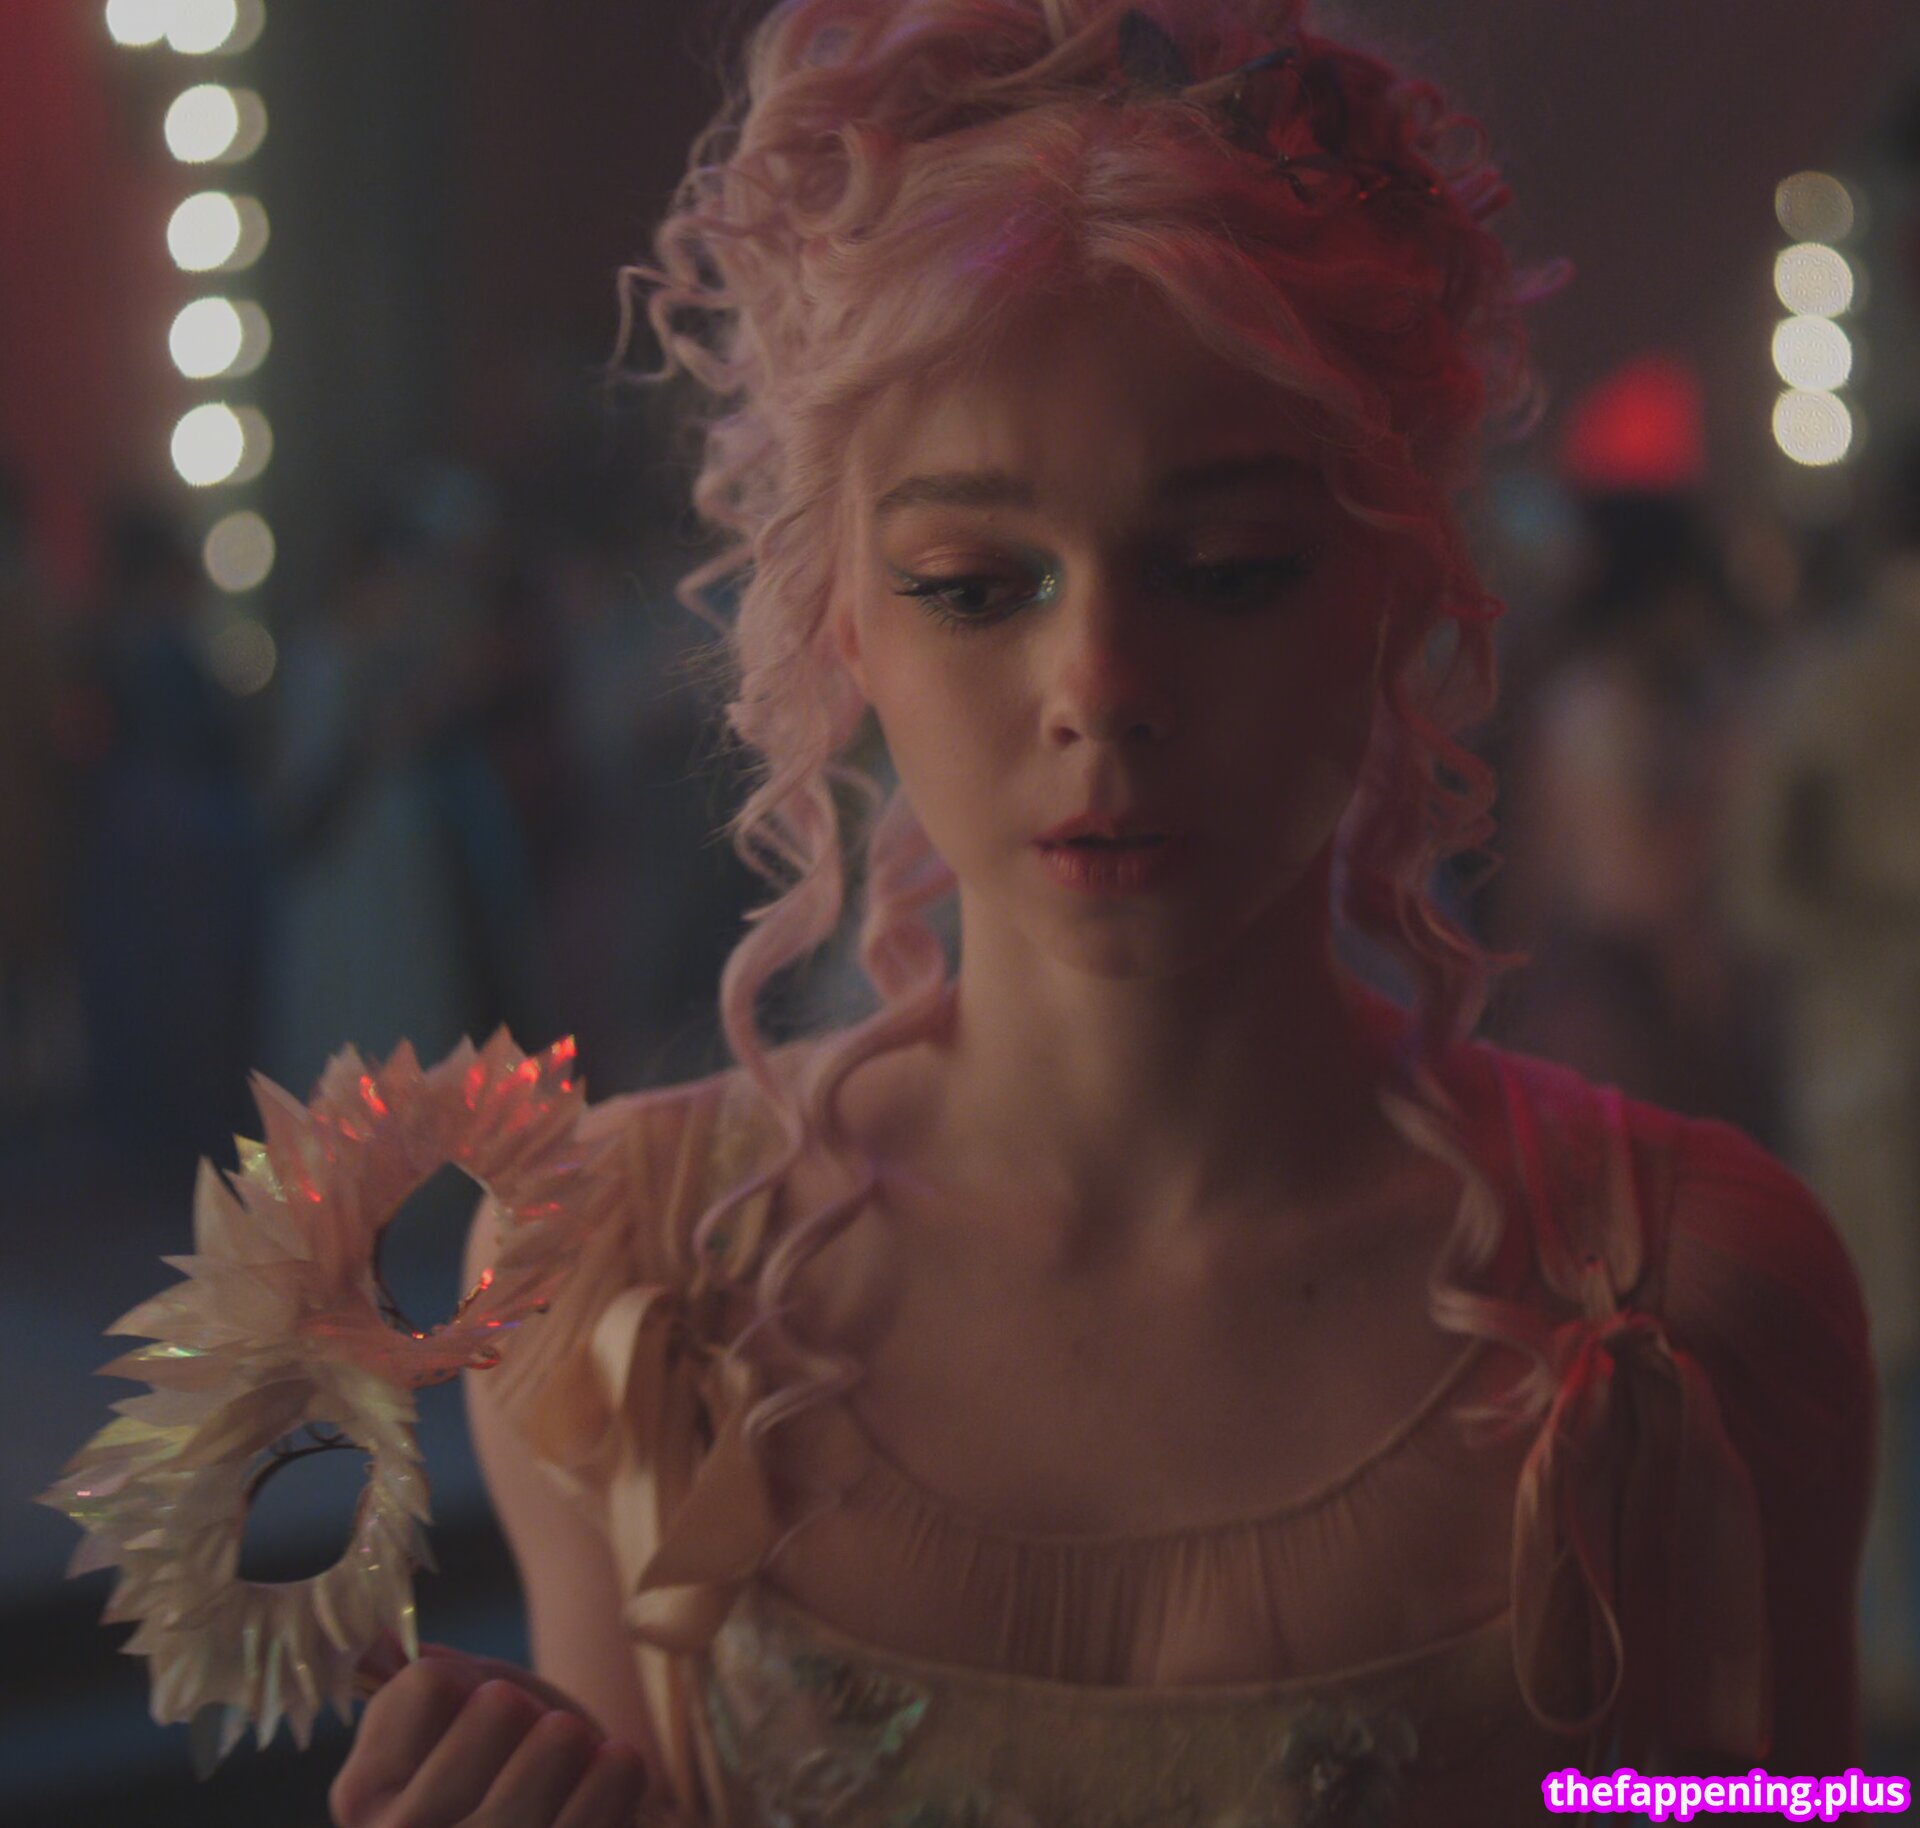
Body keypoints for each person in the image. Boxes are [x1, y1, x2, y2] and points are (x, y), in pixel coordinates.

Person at [329, 3, 1874, 1823]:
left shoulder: (1688, 1302)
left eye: (1228, 569)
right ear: (845, 622)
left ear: (1395, 588)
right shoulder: (624, 1287)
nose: (1102, 688)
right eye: (976, 584)